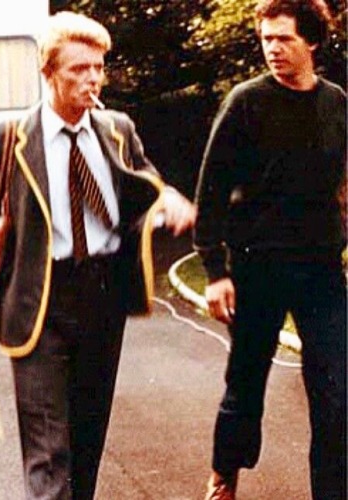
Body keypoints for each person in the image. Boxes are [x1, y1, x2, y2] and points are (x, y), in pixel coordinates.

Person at [0, 11, 195, 500]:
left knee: (87, 440)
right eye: (77, 70)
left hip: (102, 299)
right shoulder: (8, 139)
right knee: (47, 448)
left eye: (98, 68)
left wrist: (167, 198)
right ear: (48, 73)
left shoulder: (118, 129)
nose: (91, 80)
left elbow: (145, 184)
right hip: (39, 302)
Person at [193, 0, 346, 499]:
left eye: (284, 39)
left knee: (338, 392)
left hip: (321, 271)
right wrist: (216, 271)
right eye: (266, 39)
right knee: (246, 385)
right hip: (257, 268)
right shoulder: (245, 102)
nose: (273, 49)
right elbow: (210, 191)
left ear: (313, 41)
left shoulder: (336, 103)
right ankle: (223, 479)